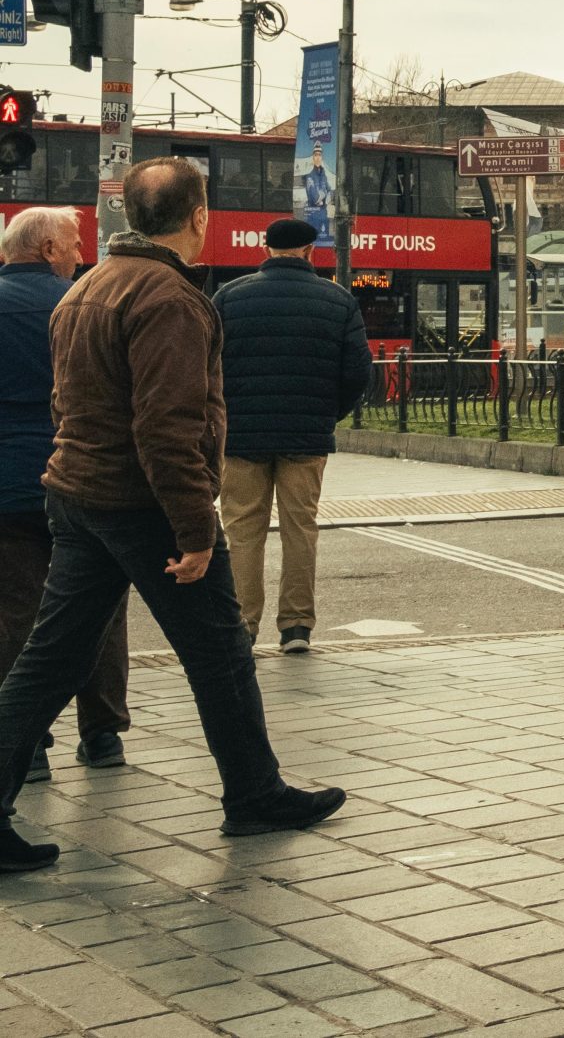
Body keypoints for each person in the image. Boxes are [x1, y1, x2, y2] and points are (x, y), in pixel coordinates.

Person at [0, 158, 343, 868]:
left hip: (77, 495)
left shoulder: (86, 288)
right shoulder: (170, 299)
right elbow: (167, 426)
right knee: (219, 652)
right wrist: (193, 530)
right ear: (198, 216)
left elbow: (69, 406)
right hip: (142, 504)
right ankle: (253, 794)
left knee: (50, 658)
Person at [0, 208, 128, 780]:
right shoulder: (85, 305)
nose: (82, 253)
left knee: (15, 610)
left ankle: (25, 746)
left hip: (8, 485)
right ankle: (102, 735)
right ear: (49, 247)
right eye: (76, 243)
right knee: (97, 606)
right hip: (83, 476)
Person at [212, 217, 371, 653]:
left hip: (242, 436)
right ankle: (296, 627)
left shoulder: (229, 296)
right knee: (301, 527)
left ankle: (243, 626)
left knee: (242, 528)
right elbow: (358, 371)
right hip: (306, 435)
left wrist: (225, 412)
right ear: (310, 251)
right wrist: (327, 413)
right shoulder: (338, 300)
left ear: (265, 250)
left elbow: (207, 365)